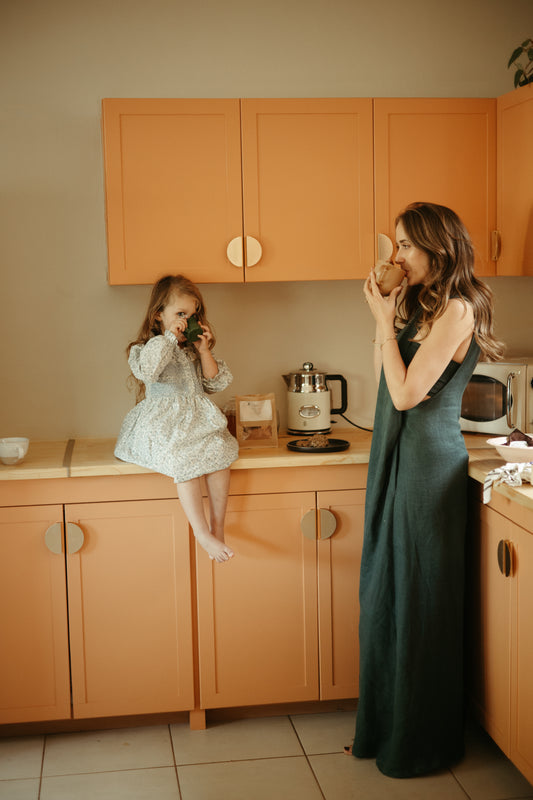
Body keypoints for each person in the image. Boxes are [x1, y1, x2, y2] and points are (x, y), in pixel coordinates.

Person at [345, 202, 503, 777]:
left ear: (438, 248)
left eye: (407, 246)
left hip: (425, 464)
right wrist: (386, 315)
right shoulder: (423, 302)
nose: (397, 256)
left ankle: (421, 740)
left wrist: (383, 327)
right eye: (397, 245)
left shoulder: (459, 309)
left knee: (419, 599)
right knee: (388, 589)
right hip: (395, 455)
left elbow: (408, 394)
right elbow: (392, 380)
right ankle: (388, 727)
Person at [115, 274, 239, 562]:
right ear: (158, 314)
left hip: (197, 419)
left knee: (221, 454)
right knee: (182, 460)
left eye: (192, 314)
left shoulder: (191, 351)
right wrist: (170, 336)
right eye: (180, 314)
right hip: (164, 422)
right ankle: (200, 532)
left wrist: (204, 350)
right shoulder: (145, 349)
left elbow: (214, 382)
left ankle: (217, 526)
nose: (187, 320)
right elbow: (149, 370)